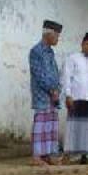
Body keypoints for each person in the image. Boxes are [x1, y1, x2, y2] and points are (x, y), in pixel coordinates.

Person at [61, 32, 88, 164]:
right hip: (76, 99)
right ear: (82, 44)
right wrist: (68, 95)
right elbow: (66, 78)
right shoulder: (72, 59)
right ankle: (74, 155)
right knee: (76, 128)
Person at [29, 20, 63, 166]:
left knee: (51, 125)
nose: (58, 38)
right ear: (48, 34)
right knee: (41, 124)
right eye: (56, 35)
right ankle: (37, 156)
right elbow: (39, 74)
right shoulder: (36, 51)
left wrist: (57, 89)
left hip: (53, 95)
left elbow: (55, 73)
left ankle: (47, 155)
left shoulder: (50, 52)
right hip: (42, 94)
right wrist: (51, 90)